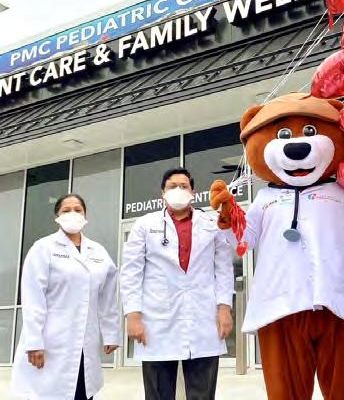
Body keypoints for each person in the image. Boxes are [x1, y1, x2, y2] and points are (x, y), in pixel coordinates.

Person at [120, 167, 234, 400]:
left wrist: (224, 308)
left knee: (202, 394)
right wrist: (132, 315)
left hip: (203, 318)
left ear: (193, 193)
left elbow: (223, 269)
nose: (178, 190)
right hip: (157, 320)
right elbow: (131, 272)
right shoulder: (144, 225)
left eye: (184, 186)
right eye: (172, 186)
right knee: (158, 393)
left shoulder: (211, 224)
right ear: (163, 193)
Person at [11, 193, 120, 400]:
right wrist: (34, 342)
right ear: (57, 217)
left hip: (85, 342)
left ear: (85, 215)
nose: (73, 214)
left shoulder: (98, 251)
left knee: (82, 391)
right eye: (66, 210)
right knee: (52, 393)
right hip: (51, 341)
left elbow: (107, 297)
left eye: (78, 210)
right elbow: (33, 298)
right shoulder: (43, 248)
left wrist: (111, 333)